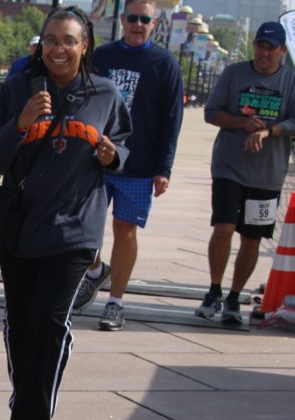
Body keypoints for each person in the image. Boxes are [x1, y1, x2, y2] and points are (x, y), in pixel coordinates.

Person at [0, 6, 131, 420]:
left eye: (68, 41)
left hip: (76, 230)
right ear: (40, 46)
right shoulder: (20, 89)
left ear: (85, 47)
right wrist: (20, 124)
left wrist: (111, 155)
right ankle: (24, 404)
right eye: (50, 40)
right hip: (19, 228)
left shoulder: (105, 94)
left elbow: (125, 147)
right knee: (20, 324)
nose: (58, 49)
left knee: (48, 320)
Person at [73, 0, 184, 331]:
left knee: (125, 229)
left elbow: (171, 120)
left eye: (145, 19)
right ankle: (94, 270)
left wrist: (164, 169)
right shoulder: (102, 56)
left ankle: (115, 302)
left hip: (139, 164)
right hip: (96, 159)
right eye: (133, 18)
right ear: (123, 20)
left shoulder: (165, 64)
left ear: (155, 24)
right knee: (83, 226)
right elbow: (80, 99)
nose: (138, 24)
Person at [196, 21, 295, 324]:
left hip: (267, 174)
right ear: (254, 46)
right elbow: (211, 112)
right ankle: (214, 290)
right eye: (260, 46)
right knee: (224, 228)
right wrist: (242, 123)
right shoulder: (234, 73)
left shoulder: (290, 81)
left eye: (271, 47)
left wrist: (270, 130)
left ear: (282, 50)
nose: (264, 53)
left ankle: (234, 297)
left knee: (251, 239)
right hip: (229, 166)